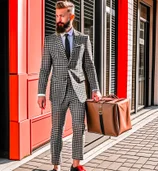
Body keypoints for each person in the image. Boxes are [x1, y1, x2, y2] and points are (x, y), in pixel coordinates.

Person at [37, 1, 102, 171]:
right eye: (57, 16)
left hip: (78, 91)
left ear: (71, 17)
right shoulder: (50, 40)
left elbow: (89, 65)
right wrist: (40, 93)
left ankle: (76, 165)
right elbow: (44, 68)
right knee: (56, 130)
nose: (58, 19)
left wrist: (95, 88)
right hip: (57, 91)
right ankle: (56, 166)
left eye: (62, 16)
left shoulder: (83, 38)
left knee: (79, 127)